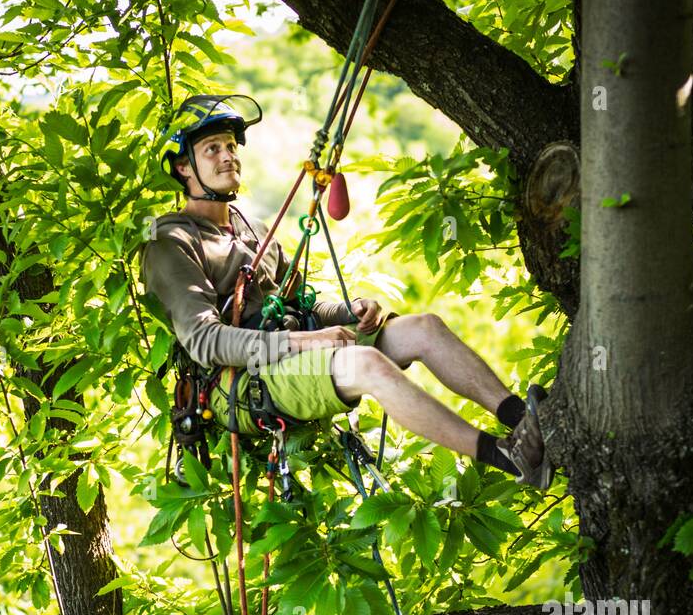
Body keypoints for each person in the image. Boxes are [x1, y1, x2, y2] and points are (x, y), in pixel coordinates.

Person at [139, 94, 552, 488]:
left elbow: (304, 304)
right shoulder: (171, 241)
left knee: (423, 328)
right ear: (183, 168)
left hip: (293, 351)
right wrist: (306, 341)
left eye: (230, 145)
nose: (228, 156)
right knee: (367, 364)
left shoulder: (253, 230)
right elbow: (205, 341)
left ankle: (525, 420)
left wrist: (349, 311)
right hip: (244, 382)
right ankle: (508, 457)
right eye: (212, 149)